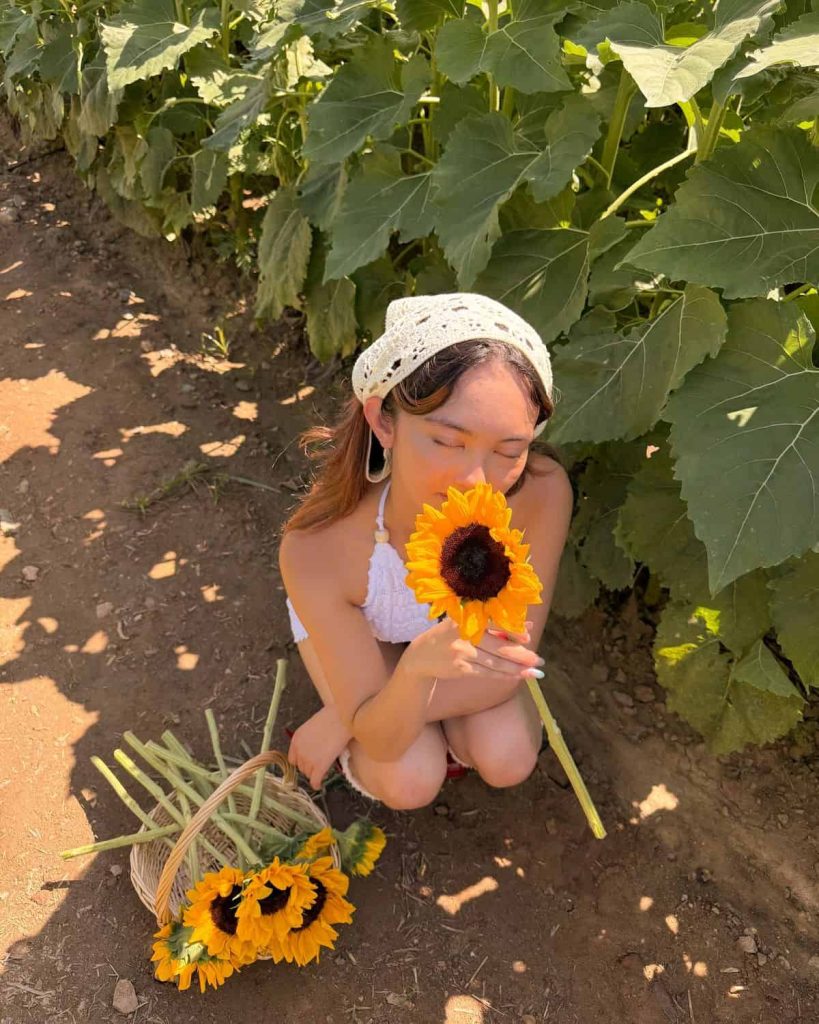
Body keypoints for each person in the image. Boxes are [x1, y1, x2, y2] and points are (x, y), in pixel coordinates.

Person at [278, 292, 573, 808]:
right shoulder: (318, 549)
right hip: (367, 631)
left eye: (509, 451)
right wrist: (404, 680)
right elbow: (385, 737)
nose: (476, 482)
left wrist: (351, 717)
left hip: (454, 660)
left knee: (508, 757)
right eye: (446, 442)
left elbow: (505, 670)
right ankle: (398, 721)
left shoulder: (541, 493)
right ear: (384, 421)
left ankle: (406, 722)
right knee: (410, 777)